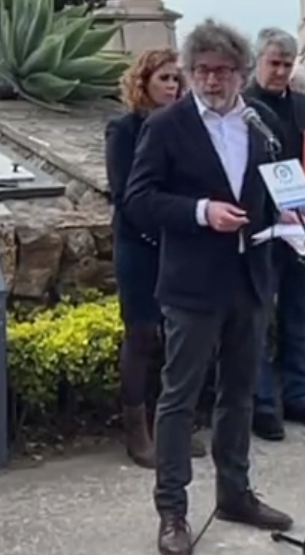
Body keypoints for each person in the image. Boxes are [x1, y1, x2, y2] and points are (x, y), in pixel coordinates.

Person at [124, 19, 294, 555]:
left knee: (239, 393)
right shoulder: (167, 126)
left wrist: (293, 213)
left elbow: (275, 185)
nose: (211, 81)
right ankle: (172, 510)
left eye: (222, 71)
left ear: (241, 73)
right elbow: (139, 198)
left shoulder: (261, 123)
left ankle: (235, 492)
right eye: (200, 71)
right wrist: (200, 211)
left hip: (250, 278)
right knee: (179, 399)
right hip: (193, 283)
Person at [242, 28, 305, 436]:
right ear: (257, 62)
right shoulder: (242, 108)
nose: (280, 71)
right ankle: (262, 402)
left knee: (303, 313)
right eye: (273, 63)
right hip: (263, 229)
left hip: (303, 227)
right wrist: (267, 210)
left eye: (286, 64)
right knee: (259, 319)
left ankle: (299, 395)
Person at [104, 47, 184, 467]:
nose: (172, 86)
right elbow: (125, 195)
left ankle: (172, 423)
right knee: (141, 335)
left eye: (176, 79)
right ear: (144, 83)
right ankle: (136, 428)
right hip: (138, 244)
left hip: (176, 244)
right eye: (164, 79)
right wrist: (160, 230)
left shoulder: (182, 127)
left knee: (178, 335)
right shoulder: (124, 129)